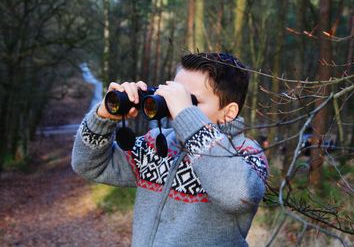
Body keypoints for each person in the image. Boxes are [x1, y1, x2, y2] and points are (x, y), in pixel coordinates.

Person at [71, 52, 268, 247]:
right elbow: (88, 164)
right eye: (175, 95)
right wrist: (104, 115)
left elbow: (237, 196)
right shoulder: (157, 144)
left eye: (190, 101)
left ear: (229, 112)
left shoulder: (246, 154)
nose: (176, 107)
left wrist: (187, 117)